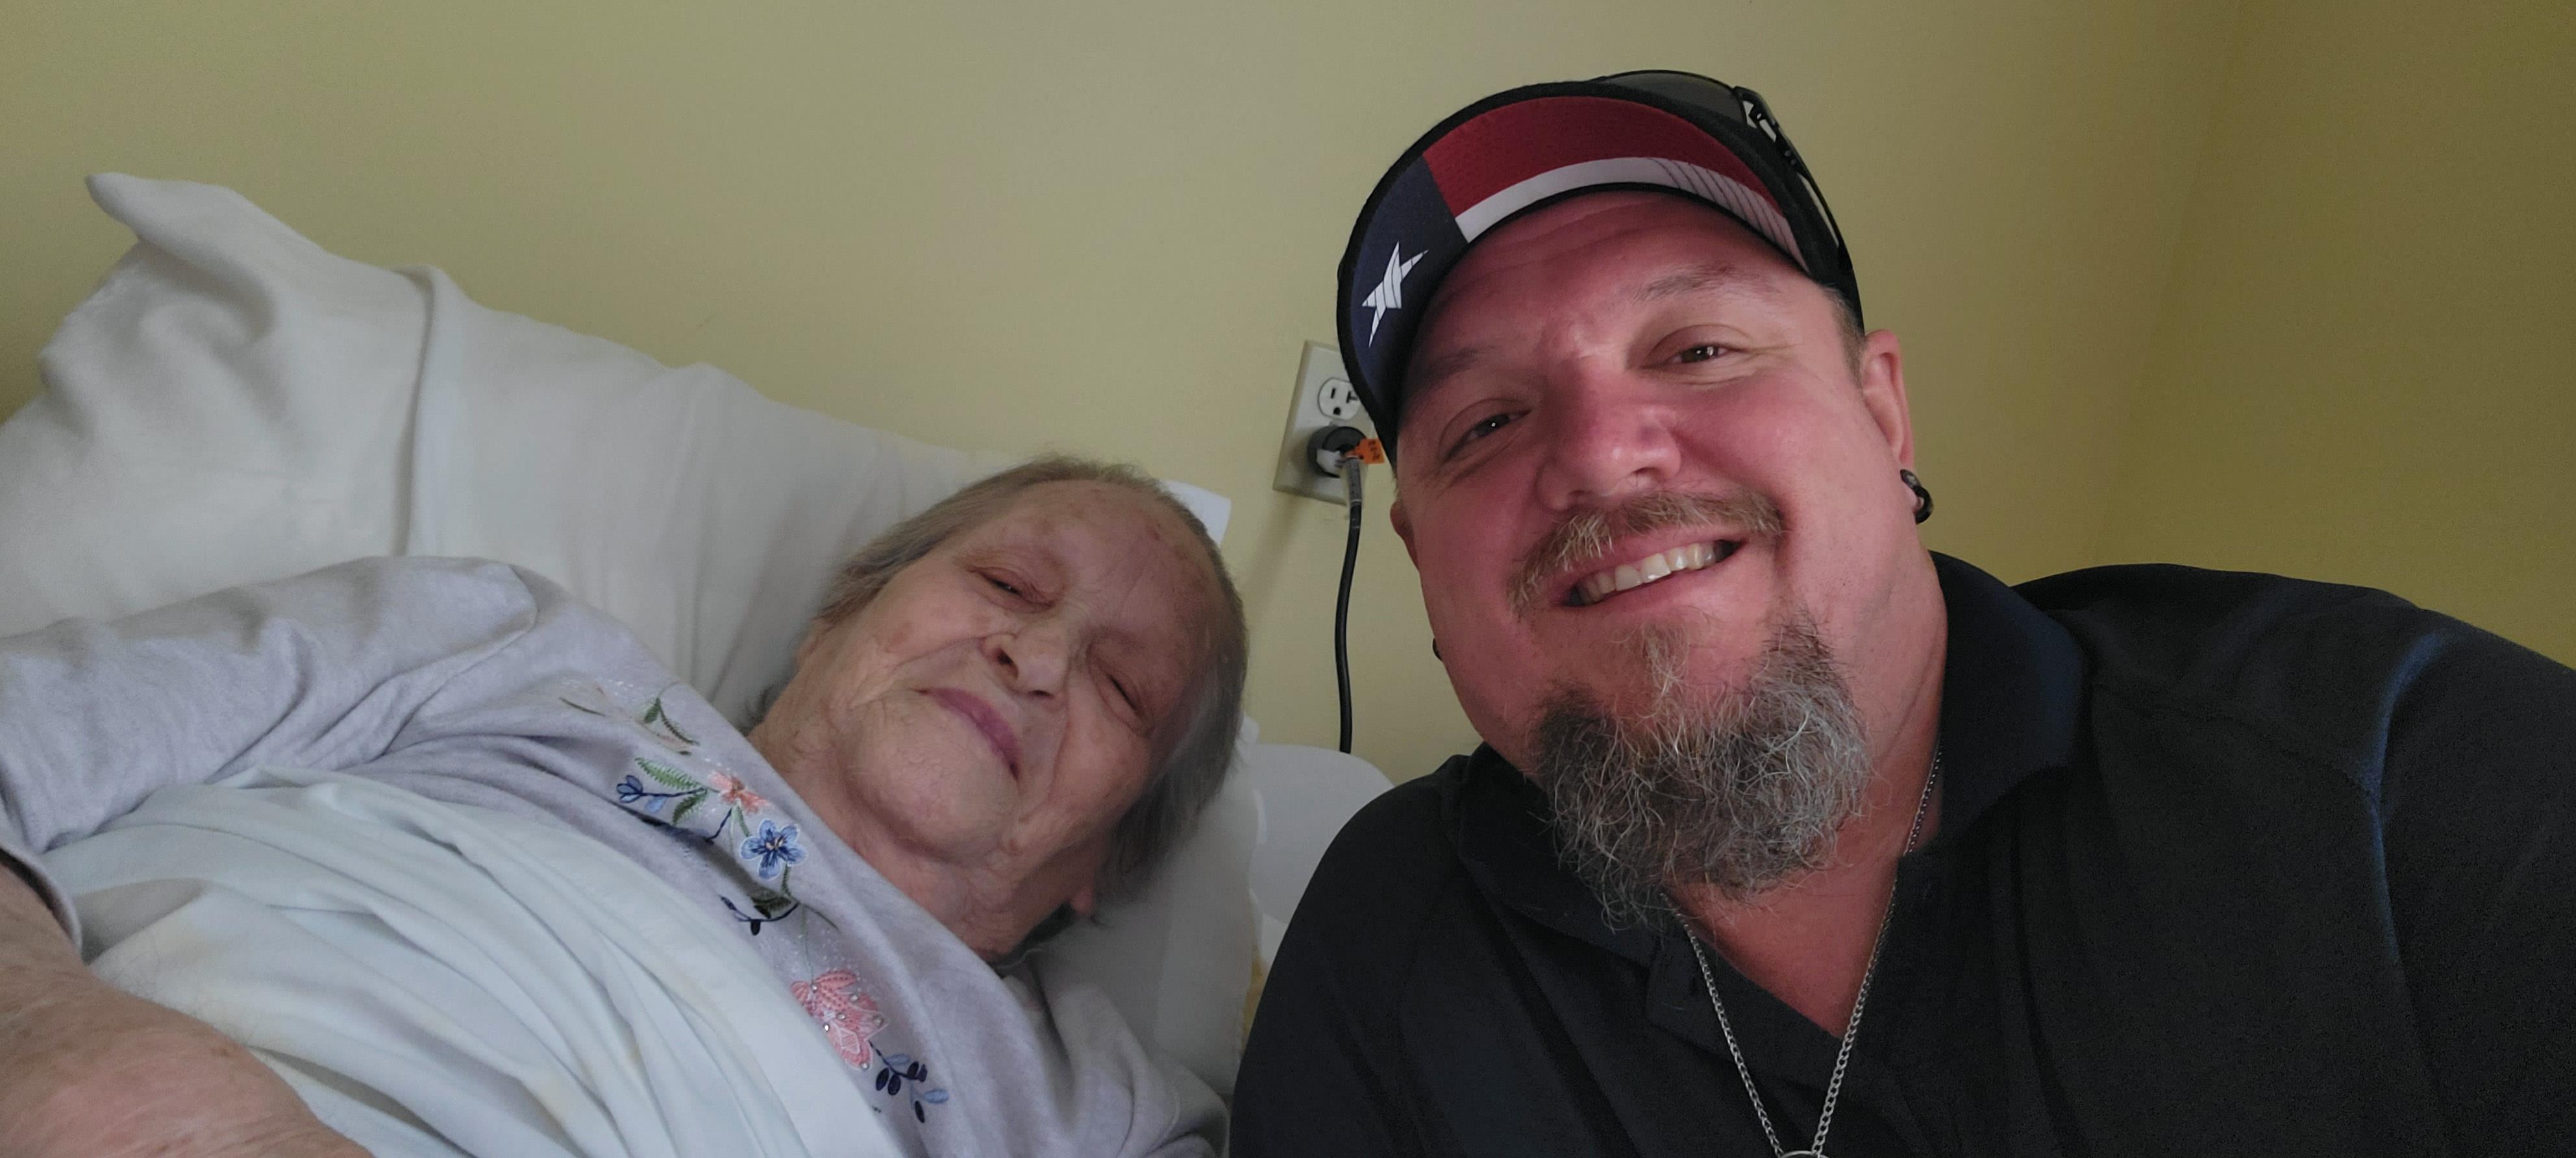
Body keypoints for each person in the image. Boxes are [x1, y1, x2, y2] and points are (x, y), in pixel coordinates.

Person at [1232, 69, 2576, 1157]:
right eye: (1485, 422)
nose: (1595, 455)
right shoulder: (1391, 942)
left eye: (1696, 348)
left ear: (1883, 413)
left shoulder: (2382, 775)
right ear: (1418, 561)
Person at [0, 455, 1246, 1158]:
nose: (1035, 658)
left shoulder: (1097, 1111)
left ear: (1108, 855)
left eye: (1123, 687)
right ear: (837, 615)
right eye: (1008, 581)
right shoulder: (518, 649)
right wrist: (68, 1057)